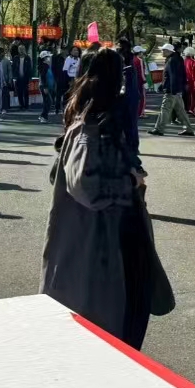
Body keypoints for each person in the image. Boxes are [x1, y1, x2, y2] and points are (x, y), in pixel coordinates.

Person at [41, 46, 171, 350]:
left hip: (107, 245)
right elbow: (88, 187)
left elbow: (61, 174)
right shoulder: (93, 127)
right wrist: (129, 181)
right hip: (103, 248)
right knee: (111, 335)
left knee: (112, 331)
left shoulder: (90, 120)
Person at [149, 44, 194, 137]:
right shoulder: (177, 59)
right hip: (176, 90)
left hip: (171, 90)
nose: (162, 52)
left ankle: (159, 129)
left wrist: (171, 89)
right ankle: (188, 129)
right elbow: (179, 75)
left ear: (169, 51)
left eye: (163, 50)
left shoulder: (171, 60)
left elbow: (173, 76)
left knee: (165, 109)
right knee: (181, 111)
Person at [37, 51, 54, 123]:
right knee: (49, 102)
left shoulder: (46, 65)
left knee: (46, 102)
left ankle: (42, 116)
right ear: (44, 58)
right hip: (44, 87)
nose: (49, 58)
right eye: (48, 57)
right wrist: (45, 87)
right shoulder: (44, 66)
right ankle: (44, 117)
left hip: (47, 86)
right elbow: (43, 77)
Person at [17, 44, 33, 112]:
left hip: (25, 78)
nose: (21, 50)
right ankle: (21, 105)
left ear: (24, 50)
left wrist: (30, 77)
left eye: (22, 49)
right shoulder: (16, 58)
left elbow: (30, 68)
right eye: (20, 49)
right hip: (18, 78)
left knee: (26, 92)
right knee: (19, 92)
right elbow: (14, 67)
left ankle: (26, 105)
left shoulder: (27, 58)